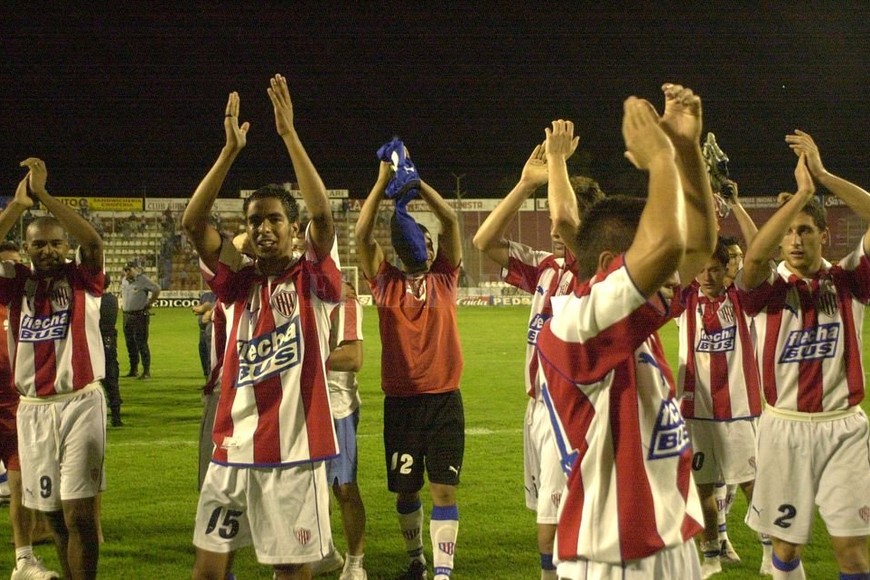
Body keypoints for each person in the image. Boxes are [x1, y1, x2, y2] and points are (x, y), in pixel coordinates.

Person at [536, 85, 716, 579]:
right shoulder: (575, 325)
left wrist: (685, 149)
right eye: (643, 253)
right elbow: (667, 245)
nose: (664, 268)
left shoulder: (633, 317)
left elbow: (695, 244)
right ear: (610, 264)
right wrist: (659, 157)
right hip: (612, 555)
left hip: (669, 536)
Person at [181, 74, 342, 580]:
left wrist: (290, 135)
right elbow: (192, 224)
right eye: (254, 221)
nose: (263, 228)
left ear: (294, 231)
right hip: (232, 448)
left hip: (295, 451)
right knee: (208, 571)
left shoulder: (313, 276)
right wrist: (229, 152)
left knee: (288, 572)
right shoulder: (236, 282)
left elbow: (321, 213)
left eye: (274, 219)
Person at [738, 130, 870, 579]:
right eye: (789, 232)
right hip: (785, 428)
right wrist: (800, 196)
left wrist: (823, 177)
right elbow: (753, 259)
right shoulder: (767, 291)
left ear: (824, 235)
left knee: (852, 552)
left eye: (805, 230)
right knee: (787, 547)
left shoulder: (850, 279)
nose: (795, 240)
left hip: (844, 428)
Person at [472, 140, 603, 580]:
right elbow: (483, 240)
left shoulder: (598, 272)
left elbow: (569, 222)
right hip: (537, 410)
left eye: (554, 211)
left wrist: (559, 169)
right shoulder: (545, 269)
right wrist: (525, 184)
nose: (550, 222)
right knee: (552, 517)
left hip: (571, 411)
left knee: (554, 523)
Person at [355, 144, 463, 580]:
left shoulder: (445, 276)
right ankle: (416, 559)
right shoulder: (385, 282)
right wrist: (383, 183)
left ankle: (443, 572)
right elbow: (362, 236)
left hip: (443, 400)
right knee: (405, 492)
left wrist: (417, 185)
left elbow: (451, 221)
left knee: (443, 487)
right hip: (400, 402)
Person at [0, 158, 106, 580]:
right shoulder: (13, 282)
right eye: (38, 244)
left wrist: (45, 197)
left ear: (66, 247)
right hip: (32, 409)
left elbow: (93, 241)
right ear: (26, 248)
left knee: (79, 515)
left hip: (80, 403)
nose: (48, 251)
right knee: (55, 517)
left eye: (55, 244)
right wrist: (18, 207)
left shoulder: (83, 278)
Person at [672, 237, 769, 578]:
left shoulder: (742, 299)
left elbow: (761, 259)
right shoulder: (683, 300)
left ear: (727, 269)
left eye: (714, 269)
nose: (707, 275)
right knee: (702, 486)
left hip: (740, 408)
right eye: (701, 269)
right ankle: (712, 553)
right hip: (697, 411)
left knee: (752, 483)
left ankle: (769, 552)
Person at [0, 240, 60, 579]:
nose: (13, 271)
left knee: (20, 487)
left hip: (16, 406)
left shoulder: (25, 305)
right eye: (6, 266)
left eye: (16, 265)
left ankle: (23, 561)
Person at [316, 280, 368, 580]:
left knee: (344, 487)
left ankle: (355, 562)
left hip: (337, 405)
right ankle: (321, 553)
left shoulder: (345, 301)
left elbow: (353, 358)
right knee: (307, 487)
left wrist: (303, 358)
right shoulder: (295, 291)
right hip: (302, 405)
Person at [120, 260, 160, 379]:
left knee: (141, 343)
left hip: (139, 315)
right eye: (125, 270)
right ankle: (133, 369)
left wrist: (150, 302)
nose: (127, 272)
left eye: (129, 270)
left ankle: (146, 371)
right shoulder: (124, 281)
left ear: (135, 269)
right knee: (130, 343)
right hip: (127, 315)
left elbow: (156, 289)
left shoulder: (143, 280)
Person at [100, 273, 122, 427]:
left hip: (95, 339)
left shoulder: (94, 300)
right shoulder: (112, 300)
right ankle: (116, 415)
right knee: (111, 377)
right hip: (109, 340)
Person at [192, 290, 216, 378]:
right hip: (203, 331)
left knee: (212, 359)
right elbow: (197, 309)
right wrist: (203, 309)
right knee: (204, 356)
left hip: (214, 332)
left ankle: (212, 383)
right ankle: (207, 382)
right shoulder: (206, 295)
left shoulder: (225, 294)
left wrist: (208, 308)